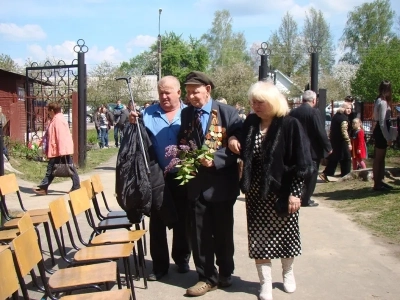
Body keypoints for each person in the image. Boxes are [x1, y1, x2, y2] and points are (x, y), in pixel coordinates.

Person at [228, 81, 313, 300]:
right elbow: (237, 137)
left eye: (260, 102)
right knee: (259, 240)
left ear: (273, 102)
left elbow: (302, 163)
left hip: (282, 192)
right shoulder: (250, 122)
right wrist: (233, 139)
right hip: (256, 195)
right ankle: (264, 283)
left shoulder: (290, 124)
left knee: (286, 237)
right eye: (253, 102)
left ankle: (288, 273)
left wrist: (296, 193)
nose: (255, 106)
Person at [178, 71, 242, 297]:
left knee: (223, 232)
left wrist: (215, 159)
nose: (191, 96)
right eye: (188, 92)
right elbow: (183, 142)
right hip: (196, 185)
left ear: (208, 89)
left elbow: (239, 147)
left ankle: (225, 272)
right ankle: (206, 277)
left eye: (195, 91)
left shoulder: (228, 113)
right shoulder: (186, 115)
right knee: (199, 235)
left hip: (222, 186)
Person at [130, 76, 191, 281]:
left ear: (179, 92)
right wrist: (131, 122)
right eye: (161, 93)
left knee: (183, 220)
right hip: (156, 175)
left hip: (183, 175)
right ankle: (159, 265)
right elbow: (135, 137)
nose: (164, 96)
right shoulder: (147, 113)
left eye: (168, 92)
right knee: (157, 221)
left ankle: (182, 258)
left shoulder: (189, 113)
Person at [289, 90, 332, 207]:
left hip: (296, 148)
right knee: (312, 175)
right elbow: (320, 131)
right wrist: (328, 147)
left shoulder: (293, 112)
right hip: (312, 150)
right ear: (314, 100)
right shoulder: (314, 113)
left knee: (296, 174)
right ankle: (306, 199)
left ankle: (295, 195)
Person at [33, 102, 80, 195]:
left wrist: (62, 151)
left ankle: (44, 187)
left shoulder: (58, 120)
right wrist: (39, 142)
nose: (48, 113)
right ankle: (75, 185)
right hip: (58, 149)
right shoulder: (56, 119)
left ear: (52, 110)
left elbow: (61, 136)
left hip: (59, 150)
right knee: (62, 168)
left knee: (54, 168)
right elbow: (49, 134)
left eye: (48, 111)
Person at [319, 102, 352, 181]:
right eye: (347, 108)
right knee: (346, 158)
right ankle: (345, 175)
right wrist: (348, 142)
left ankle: (326, 173)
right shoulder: (343, 118)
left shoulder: (336, 116)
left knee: (335, 158)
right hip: (342, 142)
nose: (349, 110)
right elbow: (344, 131)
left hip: (335, 141)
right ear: (343, 108)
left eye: (350, 108)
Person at [372, 80, 393, 191]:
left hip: (380, 131)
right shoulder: (383, 102)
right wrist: (388, 137)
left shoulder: (378, 100)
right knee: (379, 158)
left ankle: (380, 181)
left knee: (381, 158)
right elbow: (382, 122)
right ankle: (377, 184)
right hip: (381, 132)